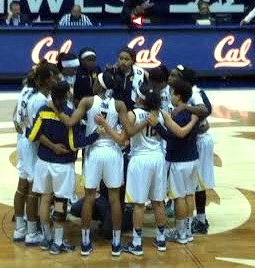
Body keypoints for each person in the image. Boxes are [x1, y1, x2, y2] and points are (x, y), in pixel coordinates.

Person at [52, 71, 146, 257]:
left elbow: (70, 122)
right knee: (114, 199)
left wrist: (55, 110)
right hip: (112, 152)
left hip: (94, 152)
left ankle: (86, 243)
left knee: (88, 197)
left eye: (95, 81)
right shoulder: (119, 104)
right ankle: (117, 244)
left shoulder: (87, 101)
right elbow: (129, 131)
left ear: (100, 85)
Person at [28, 81, 101, 254]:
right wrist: (95, 135)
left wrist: (52, 146)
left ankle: (47, 239)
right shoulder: (70, 115)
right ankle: (58, 243)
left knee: (45, 199)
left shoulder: (43, 111)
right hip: (62, 165)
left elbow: (33, 135)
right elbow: (74, 144)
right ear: (67, 94)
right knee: (60, 201)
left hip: (43, 162)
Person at [116, 85, 168, 256]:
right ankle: (161, 240)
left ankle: (137, 244)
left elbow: (127, 134)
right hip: (158, 158)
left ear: (139, 99)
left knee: (139, 204)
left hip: (140, 159)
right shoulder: (160, 114)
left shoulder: (134, 114)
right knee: (158, 202)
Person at [148, 79, 199, 245]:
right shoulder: (193, 112)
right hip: (193, 159)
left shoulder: (176, 115)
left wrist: (158, 126)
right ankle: (188, 231)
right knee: (189, 194)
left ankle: (181, 233)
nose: (170, 96)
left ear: (178, 96)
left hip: (179, 161)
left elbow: (173, 136)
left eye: (172, 93)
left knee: (179, 197)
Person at [168, 65, 214, 234]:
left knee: (197, 183)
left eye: (175, 76)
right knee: (191, 185)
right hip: (195, 138)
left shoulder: (193, 93)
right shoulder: (182, 92)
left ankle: (200, 221)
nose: (170, 78)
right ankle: (189, 220)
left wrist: (186, 109)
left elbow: (204, 110)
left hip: (200, 141)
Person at [20, 60, 60, 246]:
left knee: (30, 188)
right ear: (46, 81)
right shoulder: (40, 102)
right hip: (34, 147)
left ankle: (25, 228)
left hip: (27, 144)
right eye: (55, 77)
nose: (57, 80)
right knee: (35, 191)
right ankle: (31, 231)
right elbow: (37, 132)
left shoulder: (33, 96)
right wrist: (53, 146)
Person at [11, 71, 38, 243]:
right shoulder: (38, 99)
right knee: (33, 187)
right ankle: (32, 232)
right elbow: (39, 128)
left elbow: (14, 117)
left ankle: (19, 229)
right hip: (31, 141)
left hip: (21, 140)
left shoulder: (25, 90)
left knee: (22, 184)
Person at [107, 47, 147, 112]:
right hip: (113, 110)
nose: (123, 62)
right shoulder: (112, 72)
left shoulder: (140, 74)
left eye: (126, 59)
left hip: (132, 111)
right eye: (121, 58)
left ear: (132, 61)